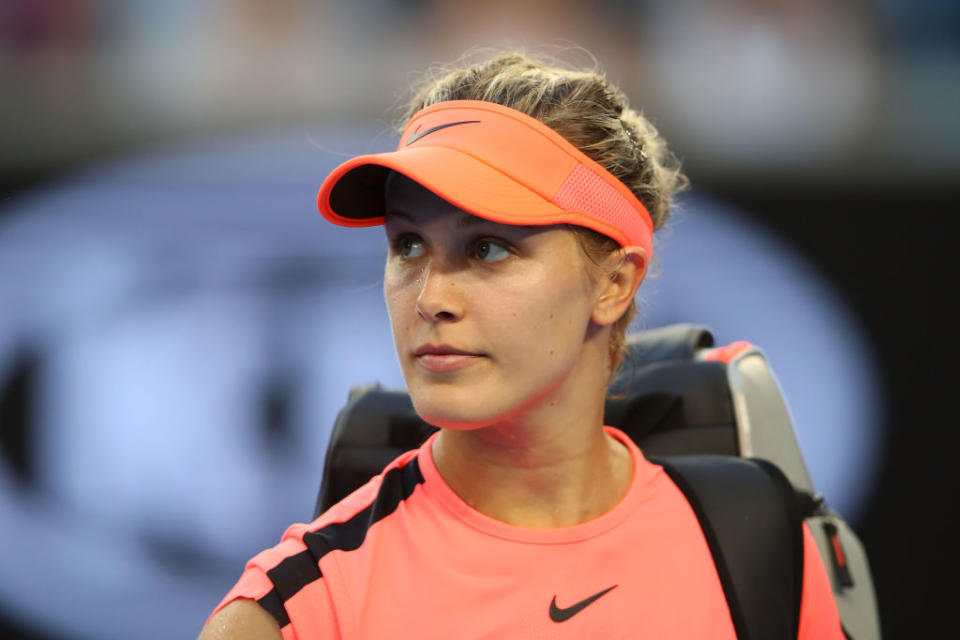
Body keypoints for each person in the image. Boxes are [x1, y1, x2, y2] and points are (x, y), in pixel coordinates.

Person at [199, 51, 844, 639]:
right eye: (409, 245)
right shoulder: (286, 615)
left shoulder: (758, 543)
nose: (430, 298)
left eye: (487, 248)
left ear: (614, 284)